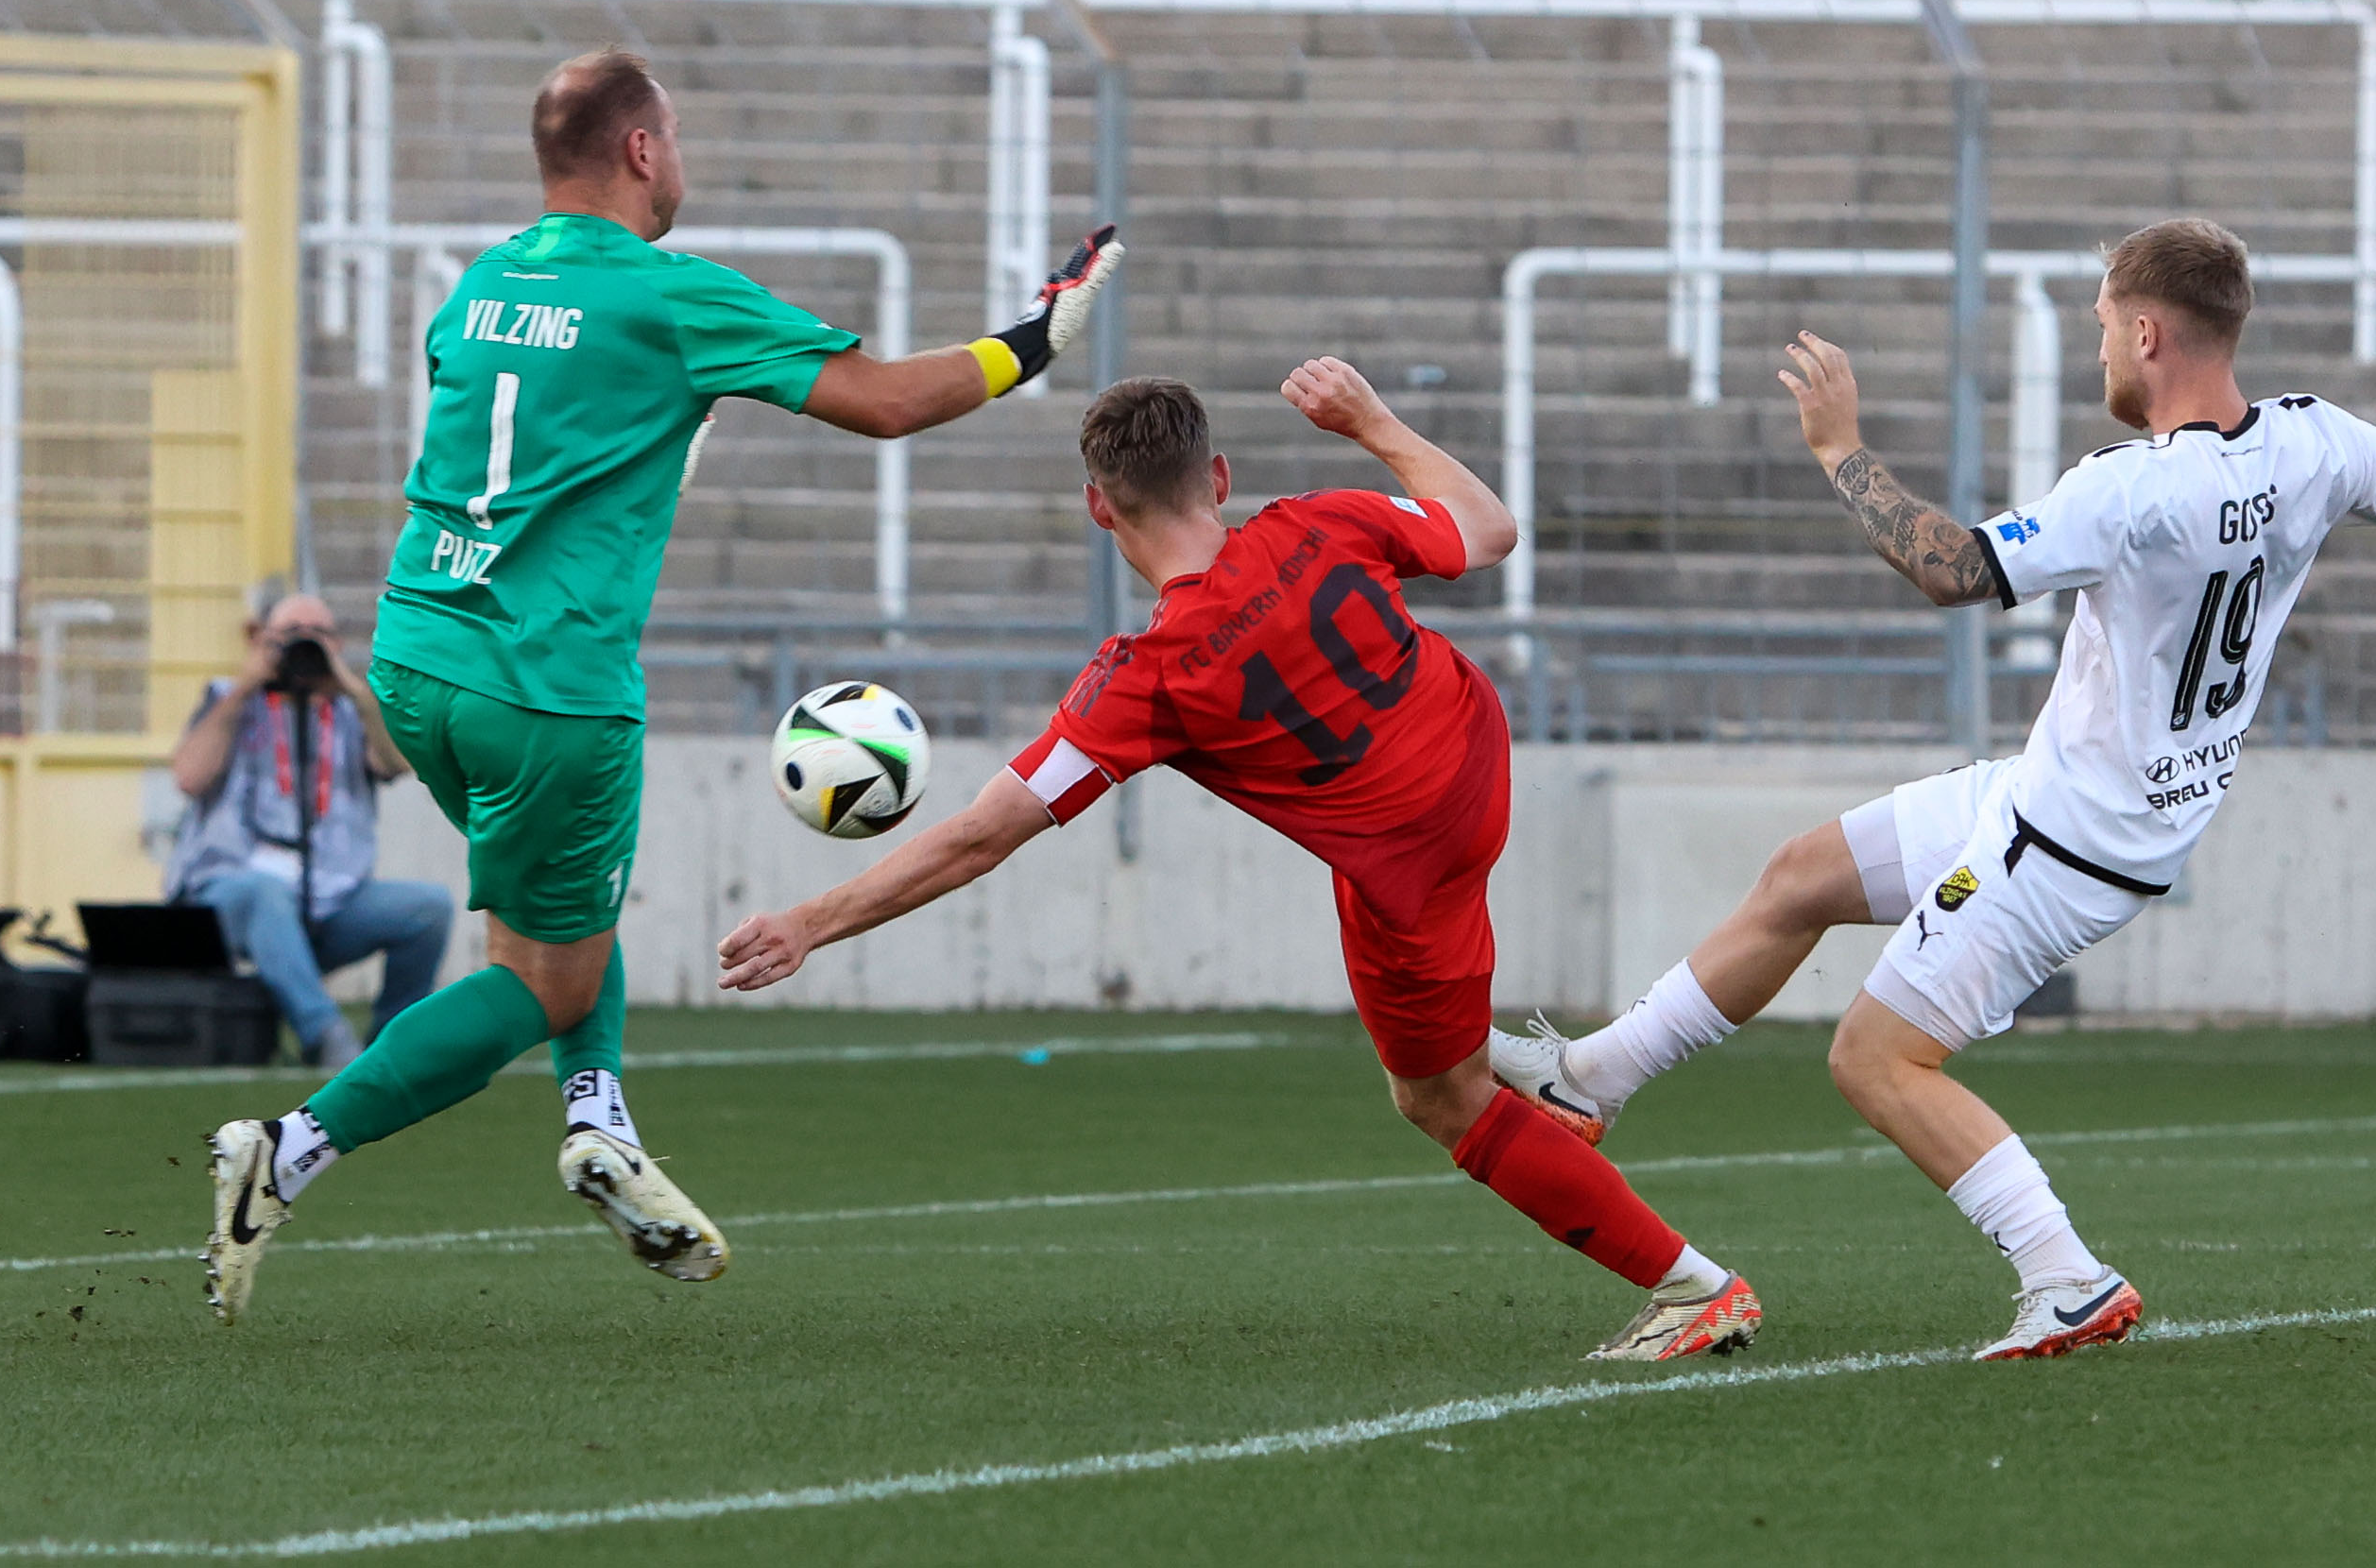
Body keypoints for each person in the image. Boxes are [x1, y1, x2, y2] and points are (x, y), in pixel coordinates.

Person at [1487, 216, 2376, 1360]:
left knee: (1875, 1058)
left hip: (2065, 838)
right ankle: (1590, 1081)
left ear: (2145, 330)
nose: (2102, 356)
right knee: (1799, 878)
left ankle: (2064, 1276)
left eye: (2103, 332)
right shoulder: (2315, 444)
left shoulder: (2128, 491)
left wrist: (1837, 447)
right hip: (2075, 796)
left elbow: (1948, 566)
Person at [199, 47, 1125, 1324]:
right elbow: (890, 402)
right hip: (549, 683)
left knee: (552, 925)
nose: (679, 160)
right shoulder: (670, 294)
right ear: (642, 151)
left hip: (417, 659)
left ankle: (603, 1124)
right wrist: (1035, 338)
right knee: (544, 980)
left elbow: (543, 437)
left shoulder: (475, 287)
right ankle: (290, 1147)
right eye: (675, 138)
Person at [716, 362, 1762, 1362]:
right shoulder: (1319, 522)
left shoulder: (1145, 678)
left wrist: (809, 923)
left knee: (1437, 1101)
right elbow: (1488, 529)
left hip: (1404, 873)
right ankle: (1539, 1073)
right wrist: (1370, 424)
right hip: (1474, 774)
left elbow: (982, 836)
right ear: (1217, 479)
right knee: (1441, 1047)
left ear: (1099, 510)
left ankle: (1692, 1287)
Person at [165, 586, 455, 1072]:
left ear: (337, 645)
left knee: (428, 908)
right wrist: (245, 687)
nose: (304, 645)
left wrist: (358, 695)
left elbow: (396, 764)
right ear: (260, 641)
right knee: (264, 892)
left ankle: (390, 1052)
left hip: (331, 896)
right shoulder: (225, 698)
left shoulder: (350, 711)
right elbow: (189, 778)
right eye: (289, 635)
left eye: (317, 635)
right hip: (232, 892)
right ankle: (327, 1039)